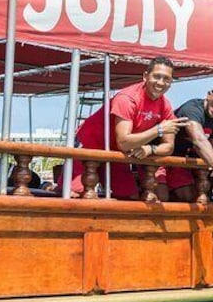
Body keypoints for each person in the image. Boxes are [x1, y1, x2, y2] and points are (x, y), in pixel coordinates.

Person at [67, 56, 189, 200]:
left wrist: (150, 149)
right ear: (145, 76)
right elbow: (124, 141)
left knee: (131, 196)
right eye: (157, 76)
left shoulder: (165, 105)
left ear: (171, 82)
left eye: (166, 79)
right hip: (89, 144)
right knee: (74, 195)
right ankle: (46, 188)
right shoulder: (127, 98)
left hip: (117, 153)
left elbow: (168, 147)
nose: (161, 82)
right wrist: (159, 130)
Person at [155, 84, 213, 203]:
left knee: (188, 197)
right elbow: (198, 140)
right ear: (208, 95)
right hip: (159, 154)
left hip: (179, 160)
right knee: (161, 197)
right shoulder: (192, 108)